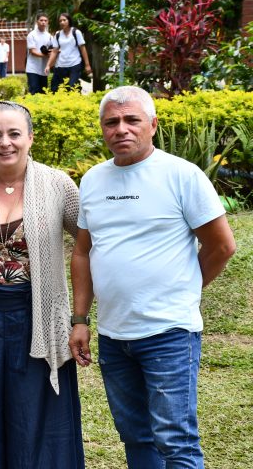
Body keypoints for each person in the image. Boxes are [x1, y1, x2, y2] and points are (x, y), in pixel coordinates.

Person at [69, 86, 236, 468]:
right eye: (111, 122)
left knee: (176, 442)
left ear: (153, 125)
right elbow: (82, 251)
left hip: (169, 335)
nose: (121, 129)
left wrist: (185, 289)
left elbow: (222, 246)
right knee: (135, 437)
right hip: (114, 337)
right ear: (102, 128)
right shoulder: (94, 180)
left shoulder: (182, 175)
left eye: (132, 120)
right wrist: (81, 320)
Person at [0, 101, 85, 468]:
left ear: (30, 137)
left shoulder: (58, 185)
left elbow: (88, 244)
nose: (5, 143)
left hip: (37, 315)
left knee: (34, 413)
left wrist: (79, 317)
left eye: (14, 134)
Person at [45, 13, 92, 92]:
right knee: (55, 88)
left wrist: (87, 65)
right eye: (60, 21)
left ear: (69, 20)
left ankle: (76, 101)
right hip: (60, 65)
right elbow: (54, 51)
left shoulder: (76, 32)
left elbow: (83, 49)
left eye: (64, 20)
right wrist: (48, 65)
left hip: (74, 64)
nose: (62, 22)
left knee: (71, 86)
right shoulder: (58, 34)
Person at [25, 12, 53, 94]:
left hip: (44, 70)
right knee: (33, 92)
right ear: (37, 22)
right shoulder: (32, 35)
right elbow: (33, 52)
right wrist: (46, 55)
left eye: (45, 20)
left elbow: (52, 50)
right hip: (32, 69)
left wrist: (51, 54)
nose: (43, 22)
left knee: (44, 93)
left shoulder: (49, 36)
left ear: (48, 22)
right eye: (41, 20)